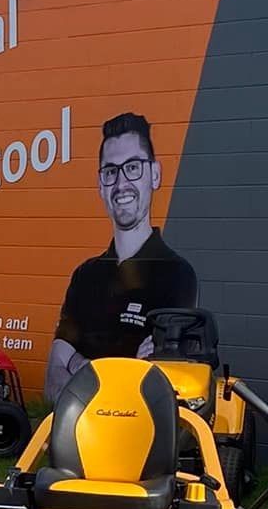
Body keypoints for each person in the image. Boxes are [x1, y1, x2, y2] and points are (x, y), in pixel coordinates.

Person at [43, 110, 199, 403]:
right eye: (111, 171)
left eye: (133, 167)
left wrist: (79, 364)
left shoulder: (177, 275)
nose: (121, 183)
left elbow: (157, 384)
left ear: (155, 174)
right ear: (100, 185)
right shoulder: (84, 276)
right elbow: (52, 379)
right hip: (76, 438)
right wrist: (123, 369)